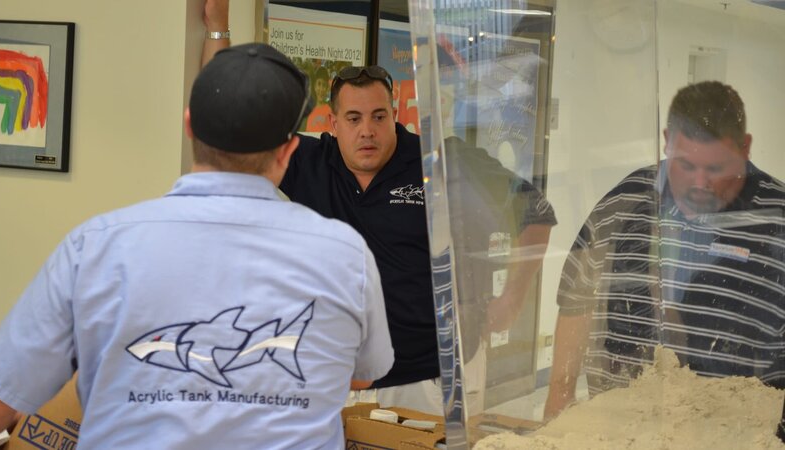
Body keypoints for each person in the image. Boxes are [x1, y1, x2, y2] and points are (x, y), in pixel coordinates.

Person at [0, 42, 393, 449]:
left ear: (189, 126)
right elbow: (362, 374)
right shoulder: (346, 254)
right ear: (288, 149)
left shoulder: (94, 247)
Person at [201, 0, 556, 416]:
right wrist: (217, 29)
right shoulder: (310, 163)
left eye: (378, 116)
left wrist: (513, 298)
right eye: (353, 119)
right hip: (332, 378)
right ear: (331, 124)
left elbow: (536, 212)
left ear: (395, 115)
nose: (367, 130)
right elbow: (229, 127)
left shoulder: (440, 162)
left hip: (426, 378)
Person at [544, 80, 785, 419]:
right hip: (625, 420)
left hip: (736, 428)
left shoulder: (776, 218)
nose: (700, 183)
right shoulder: (625, 201)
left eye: (715, 168)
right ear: (666, 142)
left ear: (745, 148)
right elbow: (577, 296)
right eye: (686, 165)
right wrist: (560, 397)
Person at [305, 66, 332, 133]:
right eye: (319, 84)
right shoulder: (309, 110)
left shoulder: (329, 111)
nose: (321, 89)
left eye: (324, 85)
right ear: (314, 86)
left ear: (327, 89)